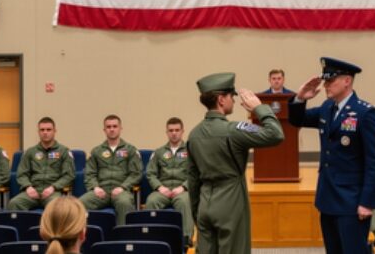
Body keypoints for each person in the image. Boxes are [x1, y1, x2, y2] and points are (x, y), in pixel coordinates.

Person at [289, 57, 375, 253]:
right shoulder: (327, 108)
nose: (326, 85)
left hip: (352, 201)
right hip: (328, 197)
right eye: (325, 81)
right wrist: (300, 98)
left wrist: (367, 202)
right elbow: (297, 119)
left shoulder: (364, 112)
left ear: (347, 81)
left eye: (331, 80)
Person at [187, 72, 284, 254]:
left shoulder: (194, 134)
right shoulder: (234, 131)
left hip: (204, 203)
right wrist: (260, 108)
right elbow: (276, 134)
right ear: (221, 100)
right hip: (230, 200)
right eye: (231, 96)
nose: (233, 100)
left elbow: (192, 179)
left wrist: (197, 213)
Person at [80, 114, 143, 225]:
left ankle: (123, 237)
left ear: (120, 129)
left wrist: (122, 187)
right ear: (104, 130)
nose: (112, 129)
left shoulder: (130, 150)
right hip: (101, 191)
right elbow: (90, 173)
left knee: (125, 203)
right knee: (80, 203)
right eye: (108, 127)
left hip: (121, 190)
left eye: (114, 126)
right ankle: (84, 237)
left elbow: (136, 174)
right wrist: (95, 187)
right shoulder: (96, 151)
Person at [8, 117, 75, 210]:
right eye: (42, 130)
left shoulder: (64, 151)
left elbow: (68, 175)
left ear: (55, 131)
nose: (45, 132)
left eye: (48, 130)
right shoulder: (30, 152)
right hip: (32, 191)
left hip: (53, 192)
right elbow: (22, 174)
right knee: (14, 203)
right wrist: (28, 187)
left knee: (57, 206)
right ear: (38, 132)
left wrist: (53, 187)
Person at [145, 117, 194, 245]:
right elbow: (150, 173)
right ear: (166, 132)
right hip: (163, 189)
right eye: (171, 130)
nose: (174, 133)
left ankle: (186, 239)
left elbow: (196, 173)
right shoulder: (159, 152)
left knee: (184, 202)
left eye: (177, 130)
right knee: (151, 201)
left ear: (183, 131)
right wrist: (159, 187)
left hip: (182, 189)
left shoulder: (191, 150)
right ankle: (151, 237)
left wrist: (183, 187)